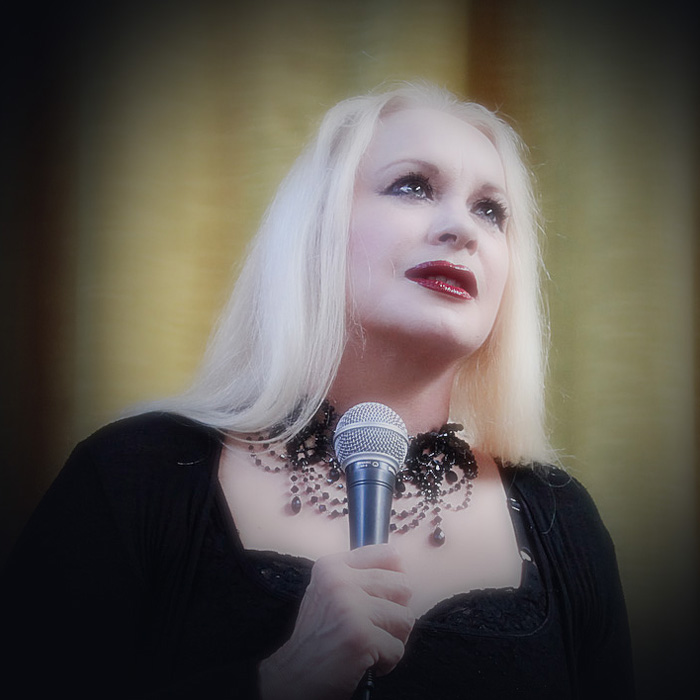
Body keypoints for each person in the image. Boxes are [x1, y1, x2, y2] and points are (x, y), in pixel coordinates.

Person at [2, 82, 635, 699]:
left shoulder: (563, 522)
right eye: (413, 186)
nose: (462, 229)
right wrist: (280, 681)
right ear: (316, 230)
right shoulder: (138, 474)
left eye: (490, 211)